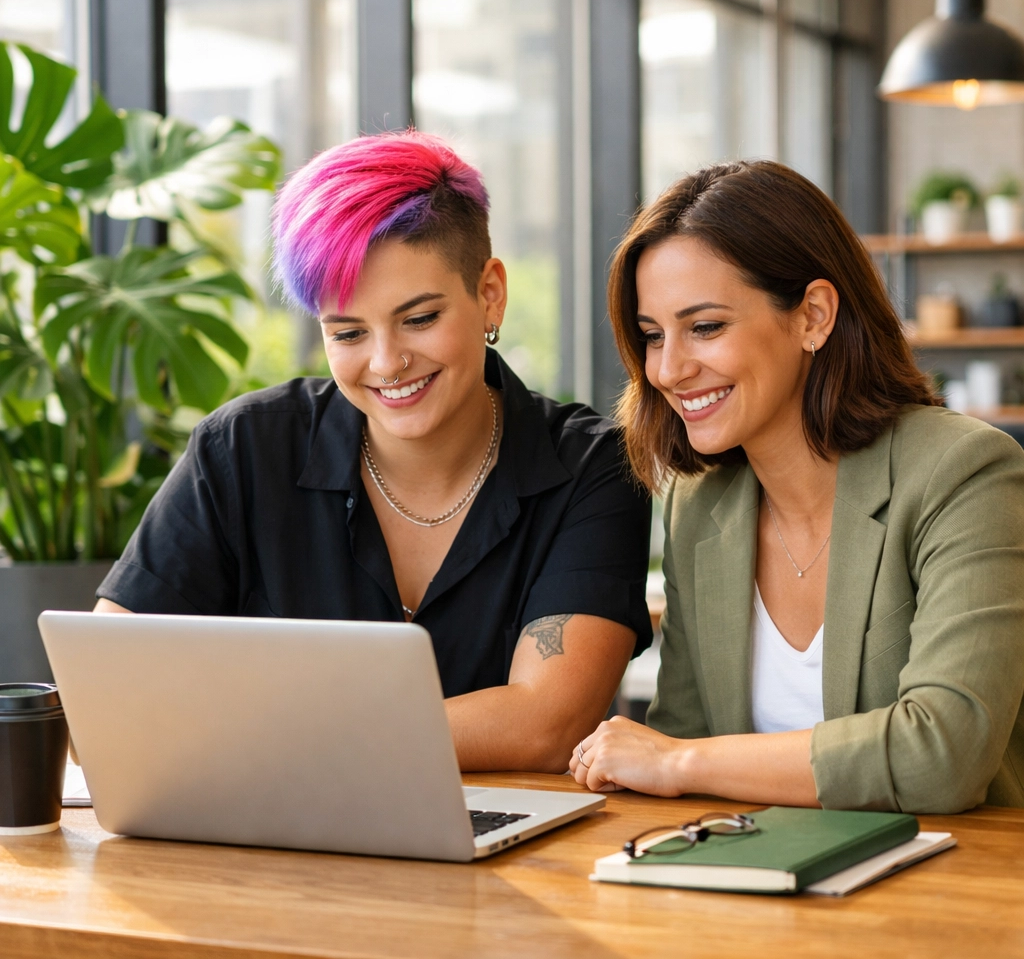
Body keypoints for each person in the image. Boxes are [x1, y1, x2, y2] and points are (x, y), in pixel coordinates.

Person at [96, 131, 652, 773]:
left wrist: (265, 735)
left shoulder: (592, 469)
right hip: (269, 824)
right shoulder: (244, 448)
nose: (387, 363)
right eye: (349, 333)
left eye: (419, 319)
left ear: (489, 294)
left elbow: (544, 725)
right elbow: (105, 693)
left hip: (499, 834)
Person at [569, 159, 1024, 812]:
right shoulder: (703, 506)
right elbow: (678, 741)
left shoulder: (964, 472)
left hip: (945, 871)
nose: (668, 370)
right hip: (747, 865)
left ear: (813, 315)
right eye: (652, 336)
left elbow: (942, 754)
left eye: (705, 327)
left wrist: (678, 762)